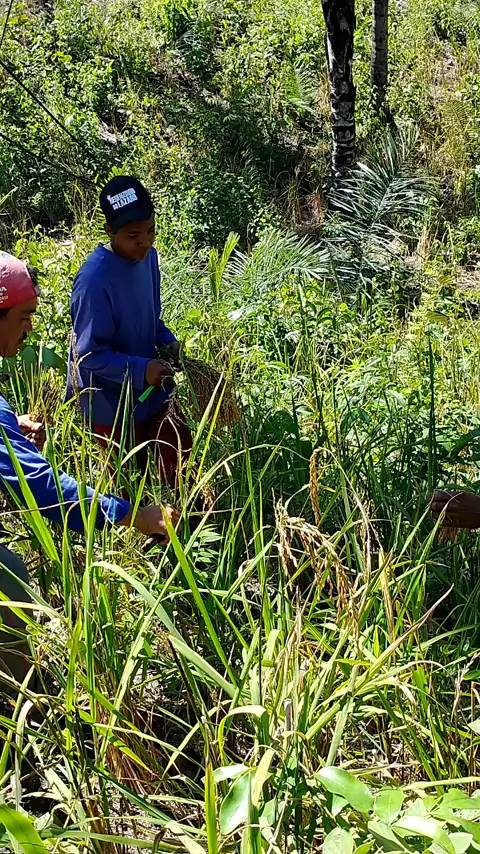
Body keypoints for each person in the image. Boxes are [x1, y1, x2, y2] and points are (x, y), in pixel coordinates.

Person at [0, 251, 179, 694]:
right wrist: (134, 516)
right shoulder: (97, 277)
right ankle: (26, 704)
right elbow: (40, 487)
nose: (29, 329)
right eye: (23, 317)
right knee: (12, 585)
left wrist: (9, 428)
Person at [66, 175, 193, 492]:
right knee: (130, 486)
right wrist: (141, 370)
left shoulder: (148, 258)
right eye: (133, 235)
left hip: (152, 390)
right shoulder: (93, 280)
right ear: (110, 231)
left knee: (180, 461)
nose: (145, 241)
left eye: (151, 230)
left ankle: (189, 518)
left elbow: (151, 317)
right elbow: (88, 355)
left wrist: (168, 344)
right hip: (111, 405)